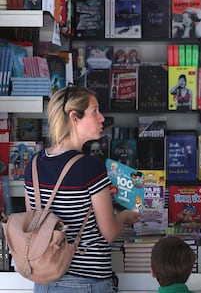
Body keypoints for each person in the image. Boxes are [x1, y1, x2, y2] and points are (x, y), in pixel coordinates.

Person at [24, 86, 141, 293]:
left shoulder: (33, 164)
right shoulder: (90, 167)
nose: (102, 118)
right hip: (87, 282)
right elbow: (110, 233)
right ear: (74, 117)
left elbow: (34, 223)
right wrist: (123, 216)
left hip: (44, 281)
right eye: (94, 111)